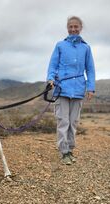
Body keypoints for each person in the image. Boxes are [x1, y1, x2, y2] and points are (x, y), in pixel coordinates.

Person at [46, 16, 95, 165]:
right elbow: (53, 65)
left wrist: (90, 87)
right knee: (63, 121)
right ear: (67, 28)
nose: (73, 29)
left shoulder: (86, 48)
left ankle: (70, 149)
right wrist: (50, 78)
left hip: (79, 89)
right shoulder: (60, 45)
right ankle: (64, 151)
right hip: (62, 89)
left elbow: (90, 69)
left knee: (73, 122)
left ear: (80, 28)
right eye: (70, 27)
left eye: (76, 27)